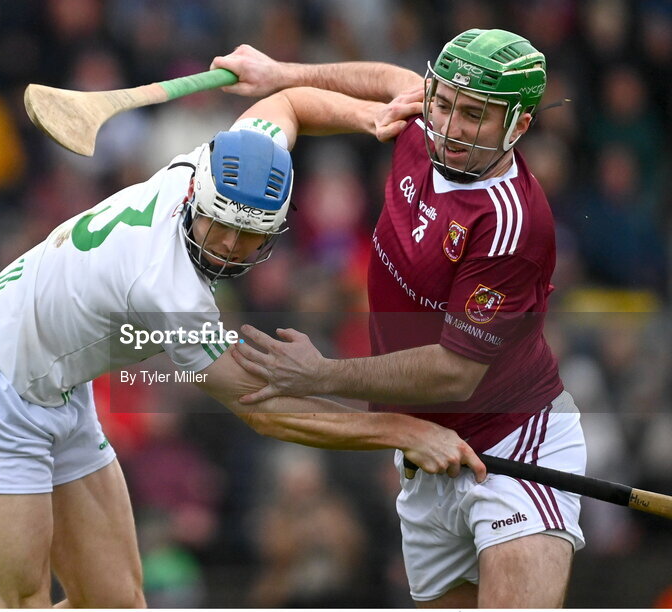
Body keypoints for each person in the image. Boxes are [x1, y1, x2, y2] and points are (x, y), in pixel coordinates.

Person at [0, 91, 484, 607]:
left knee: (116, 603)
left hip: (59, 384)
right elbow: (262, 407)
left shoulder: (221, 162)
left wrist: (366, 116)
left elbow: (286, 104)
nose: (232, 249)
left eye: (253, 234)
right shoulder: (168, 289)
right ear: (198, 198)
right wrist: (404, 432)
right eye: (222, 228)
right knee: (22, 603)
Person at [213, 28, 584, 608]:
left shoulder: (511, 223)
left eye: (476, 117)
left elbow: (455, 373)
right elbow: (389, 80)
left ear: (520, 125)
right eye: (444, 104)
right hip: (425, 459)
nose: (451, 127)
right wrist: (279, 73)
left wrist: (322, 375)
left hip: (515, 444)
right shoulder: (423, 123)